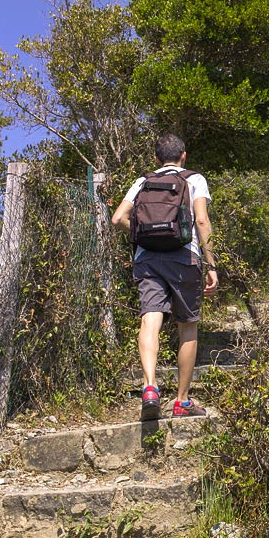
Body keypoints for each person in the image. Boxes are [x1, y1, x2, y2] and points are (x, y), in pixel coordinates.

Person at [111, 134, 219, 419]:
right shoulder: (194, 179)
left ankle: (149, 388)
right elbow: (201, 220)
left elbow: (117, 218)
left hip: (147, 259)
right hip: (185, 258)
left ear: (156, 159)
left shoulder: (142, 181)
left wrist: (143, 237)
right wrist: (212, 264)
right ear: (183, 156)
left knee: (150, 319)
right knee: (188, 327)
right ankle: (182, 402)